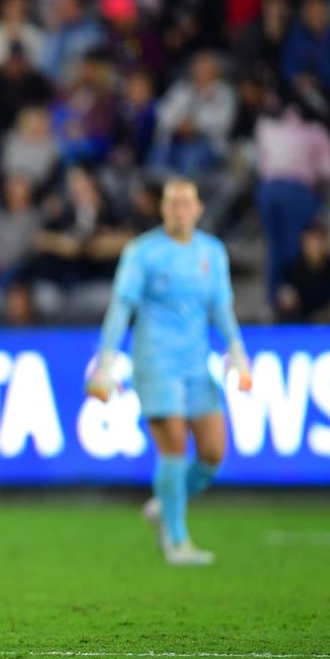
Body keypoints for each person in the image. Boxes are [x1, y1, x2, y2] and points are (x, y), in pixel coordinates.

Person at [85, 179, 251, 566]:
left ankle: (166, 504)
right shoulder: (143, 252)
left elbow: (222, 309)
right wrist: (106, 362)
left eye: (186, 203)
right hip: (155, 361)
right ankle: (177, 541)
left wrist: (238, 354)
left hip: (196, 363)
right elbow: (121, 308)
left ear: (198, 208)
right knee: (173, 444)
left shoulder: (212, 252)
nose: (179, 209)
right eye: (172, 203)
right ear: (163, 209)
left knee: (212, 453)